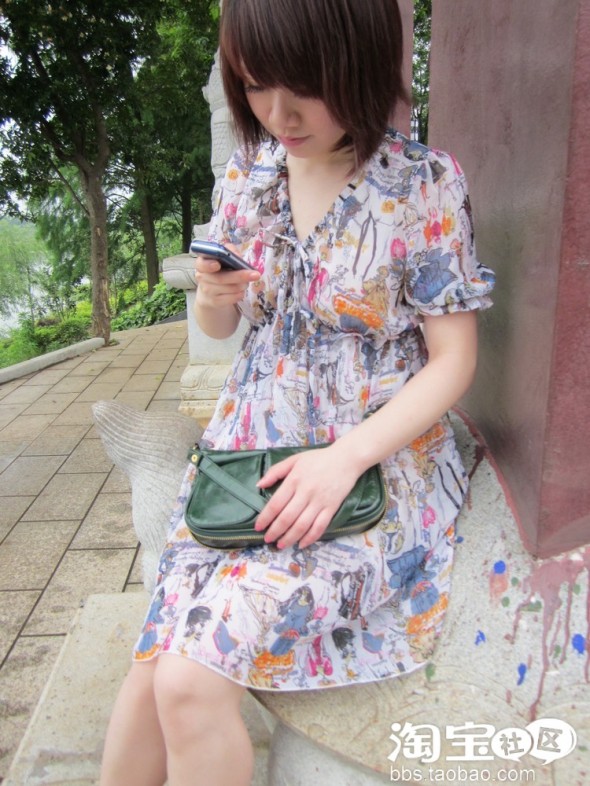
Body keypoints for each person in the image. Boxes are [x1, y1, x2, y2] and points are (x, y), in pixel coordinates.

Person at [100, 0, 495, 784]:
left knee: (186, 680)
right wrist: (214, 296)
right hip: (247, 461)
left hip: (369, 470)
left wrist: (344, 458)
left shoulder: (422, 183)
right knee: (154, 664)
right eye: (255, 86)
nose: (277, 114)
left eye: (303, 87)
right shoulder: (251, 174)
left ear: (357, 64)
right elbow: (225, 327)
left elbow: (454, 361)